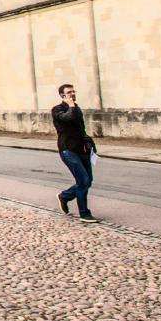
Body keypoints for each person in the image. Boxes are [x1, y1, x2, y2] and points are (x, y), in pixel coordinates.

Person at [52, 83, 98, 223]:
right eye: (69, 92)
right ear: (62, 95)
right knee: (83, 180)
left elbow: (80, 128)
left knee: (88, 181)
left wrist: (90, 144)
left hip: (82, 149)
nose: (72, 94)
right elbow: (67, 118)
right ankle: (84, 214)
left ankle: (64, 196)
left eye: (73, 91)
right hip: (68, 150)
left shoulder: (76, 109)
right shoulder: (57, 110)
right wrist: (71, 105)